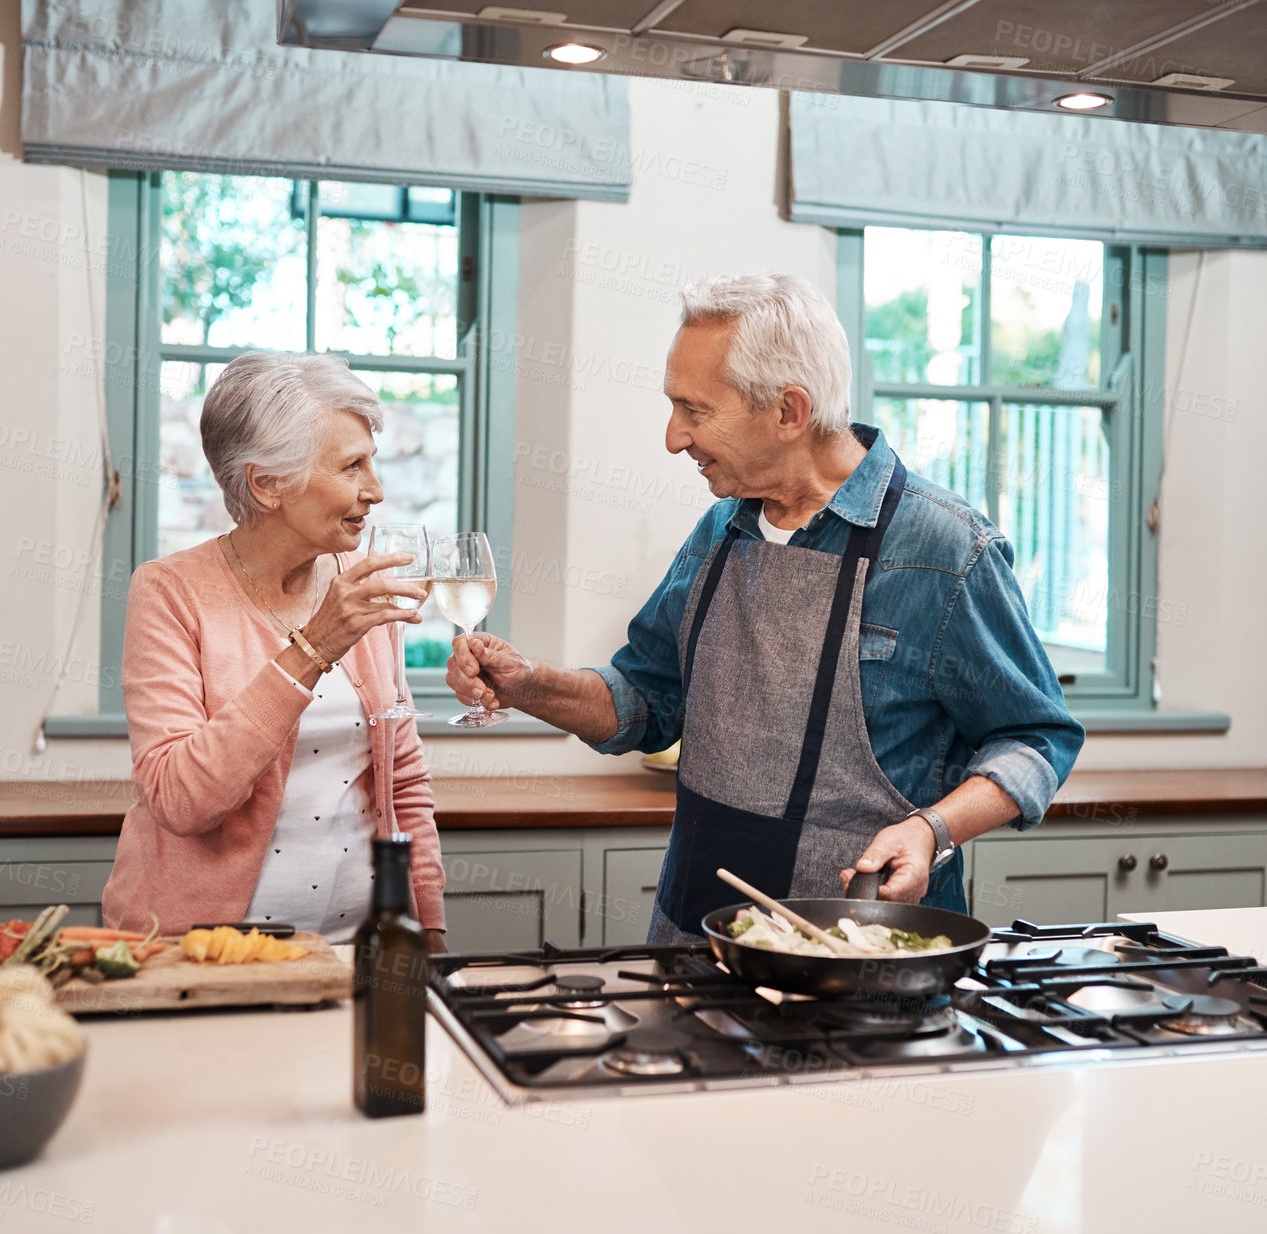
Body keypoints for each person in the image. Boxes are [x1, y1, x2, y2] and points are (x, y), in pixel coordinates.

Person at [448, 274, 1084, 942]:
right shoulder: (719, 533)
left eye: (694, 410)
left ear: (788, 412)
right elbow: (645, 700)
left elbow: (1039, 739)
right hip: (698, 946)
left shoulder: (945, 548)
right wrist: (528, 684)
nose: (673, 437)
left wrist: (931, 830)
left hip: (863, 959)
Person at [104, 350, 447, 949]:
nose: (377, 490)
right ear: (266, 485)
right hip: (203, 959)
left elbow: (403, 781)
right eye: (352, 467)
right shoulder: (170, 592)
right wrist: (315, 646)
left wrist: (428, 924)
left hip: (359, 949)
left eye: (374, 463)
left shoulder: (358, 583)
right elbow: (181, 800)